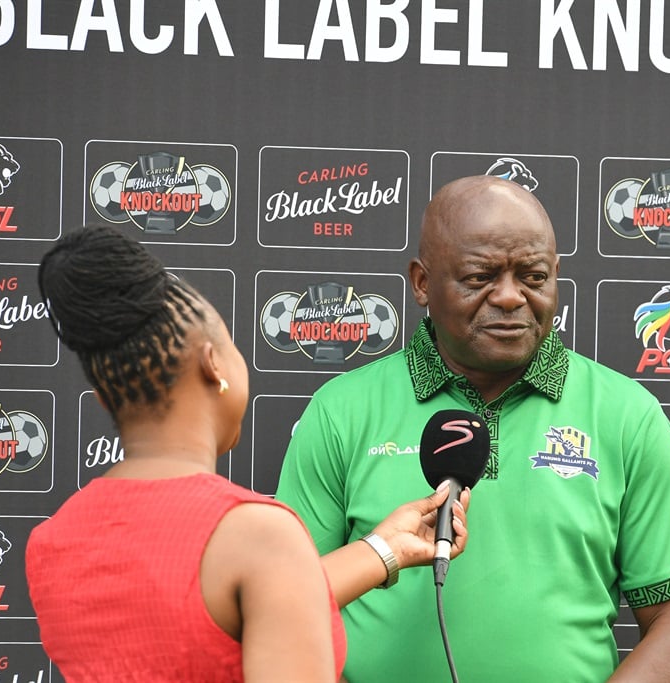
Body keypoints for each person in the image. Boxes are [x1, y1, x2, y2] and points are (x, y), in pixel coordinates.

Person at [276, 175, 670, 682]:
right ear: (423, 282)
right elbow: (289, 607)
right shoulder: (341, 410)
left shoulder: (626, 414)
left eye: (534, 277)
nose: (512, 297)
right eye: (480, 277)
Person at [25, 224, 471, 682]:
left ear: (103, 397)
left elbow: (214, 613)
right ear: (213, 364)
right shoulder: (257, 534)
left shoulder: (52, 542)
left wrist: (385, 549)